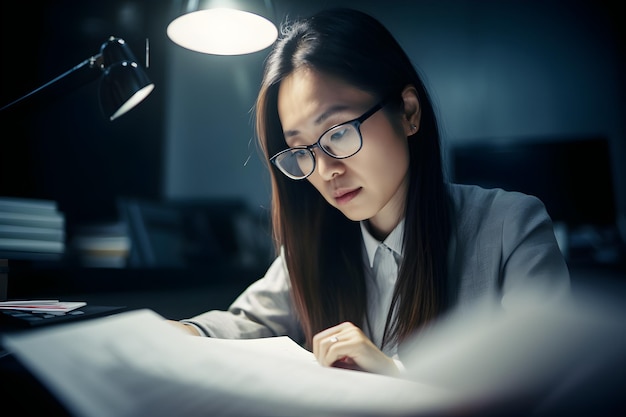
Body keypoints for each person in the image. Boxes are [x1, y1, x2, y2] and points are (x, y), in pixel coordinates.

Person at [169, 7, 570, 376]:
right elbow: (248, 322)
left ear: (409, 113)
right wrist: (188, 332)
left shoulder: (509, 227)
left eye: (339, 132)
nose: (326, 170)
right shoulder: (315, 246)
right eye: (301, 150)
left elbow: (548, 379)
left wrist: (396, 376)